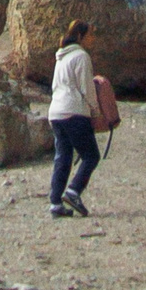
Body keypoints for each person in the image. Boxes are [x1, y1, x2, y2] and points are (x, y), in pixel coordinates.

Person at [48, 19, 102, 216]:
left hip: (56, 112)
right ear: (80, 36)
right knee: (91, 155)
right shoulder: (81, 56)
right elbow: (86, 88)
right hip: (74, 112)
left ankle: (55, 202)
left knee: (63, 157)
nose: (93, 39)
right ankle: (73, 190)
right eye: (90, 35)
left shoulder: (61, 57)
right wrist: (95, 111)